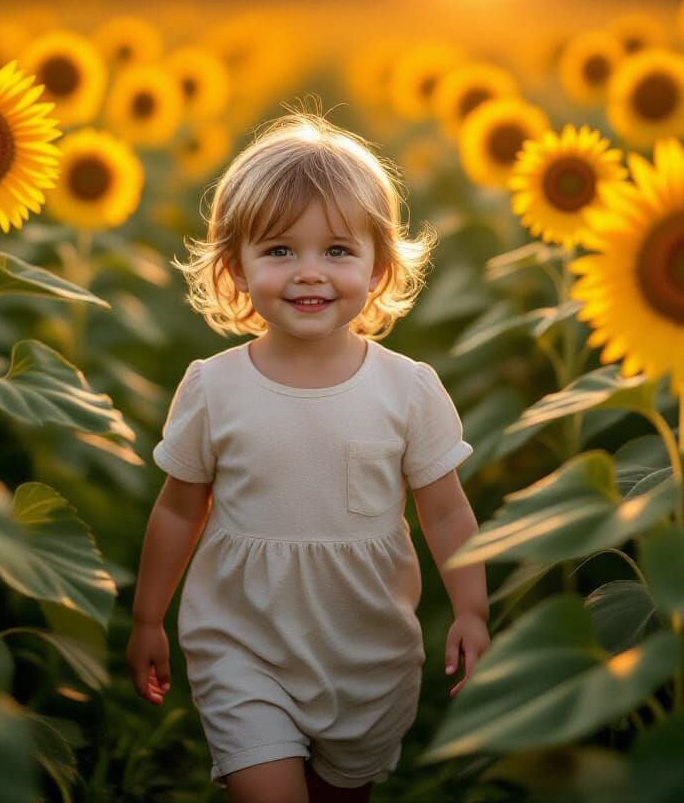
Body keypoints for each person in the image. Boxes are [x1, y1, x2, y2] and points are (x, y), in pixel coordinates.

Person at [126, 107, 490, 803]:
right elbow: (178, 510)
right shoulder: (214, 386)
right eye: (280, 250)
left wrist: (470, 609)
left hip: (366, 649)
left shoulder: (407, 389)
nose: (309, 274)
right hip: (242, 640)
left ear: (380, 265)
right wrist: (148, 618)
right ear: (235, 265)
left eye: (338, 251)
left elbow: (445, 513)